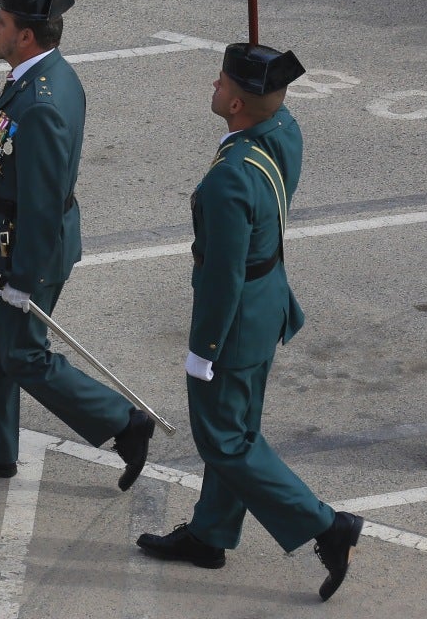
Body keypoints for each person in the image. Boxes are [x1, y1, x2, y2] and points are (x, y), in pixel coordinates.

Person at [135, 43, 362, 602]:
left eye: (220, 84)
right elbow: (275, 110)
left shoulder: (228, 178)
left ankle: (326, 526)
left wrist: (203, 348)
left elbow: (221, 277)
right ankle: (210, 533)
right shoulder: (283, 130)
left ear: (236, 104)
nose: (213, 87)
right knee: (236, 429)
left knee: (227, 440)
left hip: (235, 324)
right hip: (268, 304)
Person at [0, 0, 156, 491]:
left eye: (2, 23)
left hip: (22, 245)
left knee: (23, 355)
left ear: (26, 36)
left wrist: (25, 277)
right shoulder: (35, 76)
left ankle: (122, 421)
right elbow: (15, 149)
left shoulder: (45, 102)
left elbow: (43, 202)